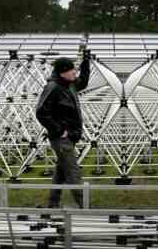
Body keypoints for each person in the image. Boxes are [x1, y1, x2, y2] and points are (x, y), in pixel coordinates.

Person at [36, 54, 90, 208]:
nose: (75, 72)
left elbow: (83, 82)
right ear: (62, 72)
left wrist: (87, 62)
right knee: (73, 173)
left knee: (60, 173)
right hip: (61, 139)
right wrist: (59, 130)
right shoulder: (53, 88)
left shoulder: (69, 84)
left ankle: (53, 204)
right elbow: (41, 112)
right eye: (72, 70)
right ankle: (85, 208)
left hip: (70, 137)